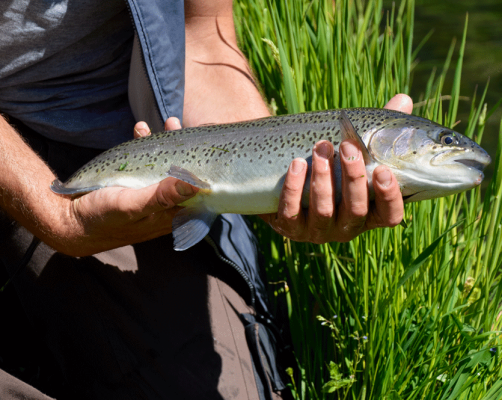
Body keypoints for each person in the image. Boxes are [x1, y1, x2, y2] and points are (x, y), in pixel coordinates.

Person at [0, 0, 413, 399]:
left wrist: (268, 182)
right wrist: (56, 215)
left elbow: (203, 41)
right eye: (446, 143)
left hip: (118, 150)